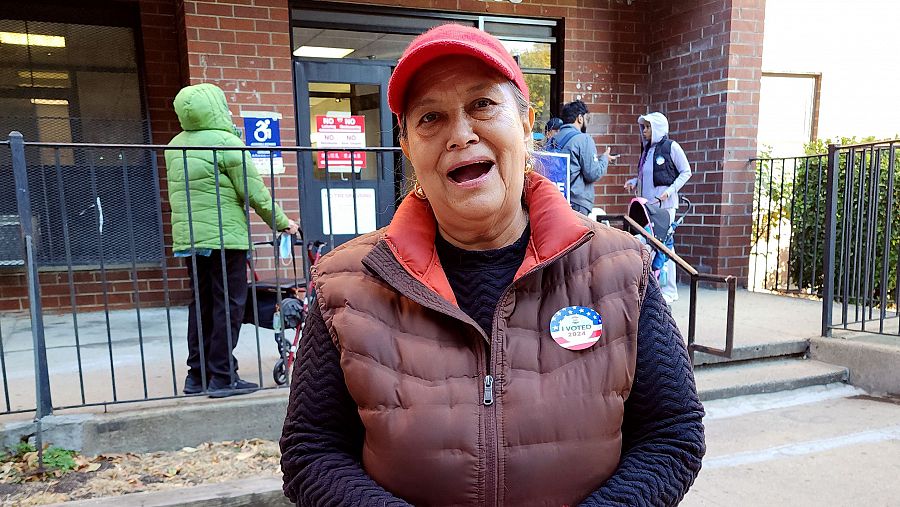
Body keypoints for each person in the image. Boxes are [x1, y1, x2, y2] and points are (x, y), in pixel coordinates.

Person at [280, 24, 703, 506]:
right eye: (430, 117)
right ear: (407, 148)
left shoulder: (620, 267)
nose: (460, 134)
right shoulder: (345, 284)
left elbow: (673, 434)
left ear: (525, 123)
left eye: (482, 105)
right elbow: (310, 452)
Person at [165, 83, 298, 398]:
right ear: (217, 108)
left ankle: (196, 377)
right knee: (229, 305)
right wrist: (283, 223)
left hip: (190, 240)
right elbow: (255, 193)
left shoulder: (175, 145)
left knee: (201, 305)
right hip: (226, 239)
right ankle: (223, 377)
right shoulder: (227, 143)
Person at [625, 112, 693, 304]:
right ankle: (653, 286)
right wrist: (634, 181)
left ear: (658, 128)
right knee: (650, 245)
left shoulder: (671, 147)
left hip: (664, 207)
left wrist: (670, 191)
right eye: (643, 127)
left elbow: (686, 171)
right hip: (647, 206)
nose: (644, 130)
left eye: (648, 127)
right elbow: (647, 176)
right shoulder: (647, 150)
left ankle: (670, 289)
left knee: (665, 245)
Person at [557, 100, 619, 215]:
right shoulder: (583, 139)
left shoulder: (553, 139)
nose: (587, 122)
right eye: (587, 118)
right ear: (580, 118)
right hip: (576, 203)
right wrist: (604, 159)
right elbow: (593, 173)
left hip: (555, 200)